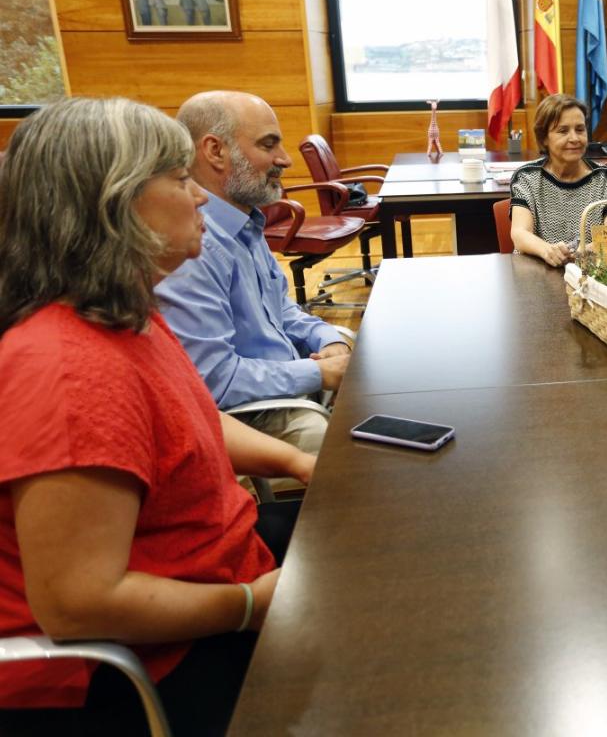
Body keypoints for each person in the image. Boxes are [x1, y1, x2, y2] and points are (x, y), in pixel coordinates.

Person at [0, 97, 313, 735]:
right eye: (178, 179)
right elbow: (77, 604)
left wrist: (294, 459)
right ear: (114, 203)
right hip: (147, 665)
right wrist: (251, 606)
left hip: (220, 567)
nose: (200, 198)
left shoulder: (123, 310)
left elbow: (186, 418)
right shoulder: (67, 369)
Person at [155, 91, 352, 454]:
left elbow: (280, 310)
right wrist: (320, 374)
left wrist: (328, 338)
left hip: (288, 387)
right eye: (268, 145)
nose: (285, 160)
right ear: (215, 151)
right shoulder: (193, 245)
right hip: (249, 415)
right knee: (361, 461)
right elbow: (215, 381)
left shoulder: (243, 220)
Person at [509, 93, 607, 267]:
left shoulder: (604, 178)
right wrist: (547, 250)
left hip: (589, 274)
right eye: (563, 131)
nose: (574, 138)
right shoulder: (526, 177)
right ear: (544, 138)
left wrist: (591, 248)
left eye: (580, 129)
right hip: (537, 274)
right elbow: (519, 233)